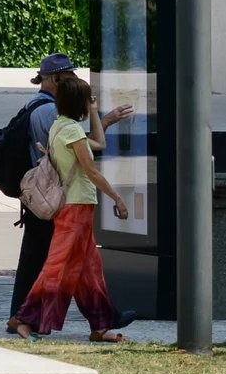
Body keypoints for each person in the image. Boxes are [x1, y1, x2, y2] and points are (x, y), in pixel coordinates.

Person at [8, 52, 134, 324]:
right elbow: (78, 153)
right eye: (69, 76)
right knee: (50, 264)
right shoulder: (48, 112)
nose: (74, 80)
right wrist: (102, 119)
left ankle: (103, 319)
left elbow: (78, 145)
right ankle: (22, 317)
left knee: (84, 265)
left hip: (55, 196)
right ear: (55, 79)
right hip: (57, 198)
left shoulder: (46, 110)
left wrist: (100, 119)